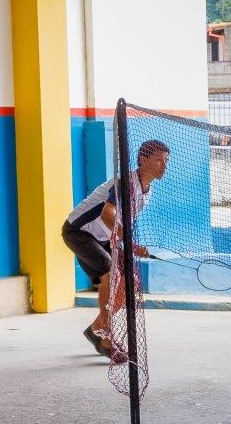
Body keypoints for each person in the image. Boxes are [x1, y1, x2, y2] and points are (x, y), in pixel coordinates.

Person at [62, 139, 169, 358]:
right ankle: (106, 337)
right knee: (110, 274)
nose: (164, 165)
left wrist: (130, 246)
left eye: (166, 161)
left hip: (103, 237)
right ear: (143, 160)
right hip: (80, 231)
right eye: (158, 160)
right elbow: (107, 214)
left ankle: (96, 329)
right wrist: (130, 244)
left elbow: (119, 223)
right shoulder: (126, 182)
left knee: (130, 283)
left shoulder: (147, 191)